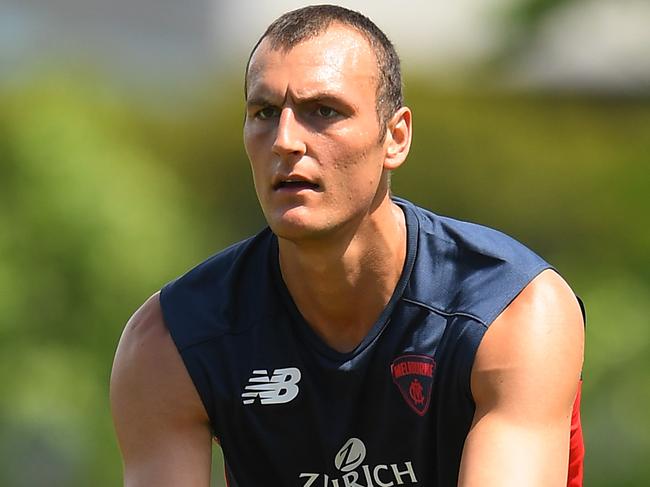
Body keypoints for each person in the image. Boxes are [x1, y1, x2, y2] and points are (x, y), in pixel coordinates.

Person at [110, 5, 585, 486]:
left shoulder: (513, 308)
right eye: (265, 113)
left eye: (324, 111)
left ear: (395, 138)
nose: (285, 141)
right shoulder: (172, 340)